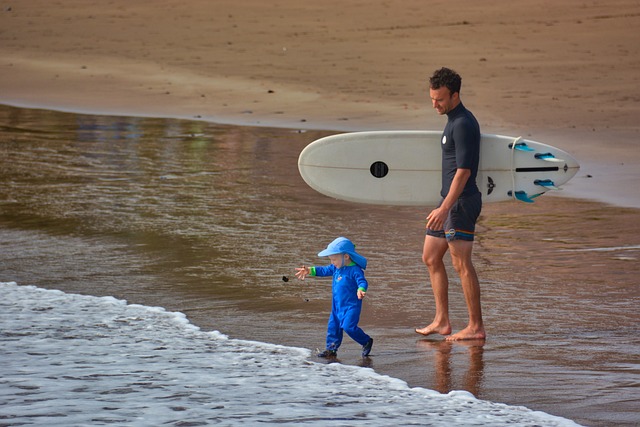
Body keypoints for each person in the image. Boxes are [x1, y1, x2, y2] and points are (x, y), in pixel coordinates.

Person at [415, 67, 486, 341]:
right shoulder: (452, 121)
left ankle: (475, 327)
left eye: (440, 99)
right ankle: (442, 320)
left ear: (455, 95)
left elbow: (464, 171)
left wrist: (445, 208)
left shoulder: (464, 124)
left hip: (460, 204)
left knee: (462, 265)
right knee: (431, 257)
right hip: (447, 204)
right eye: (432, 98)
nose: (435, 104)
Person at [295, 237, 374, 358]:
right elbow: (324, 270)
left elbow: (362, 282)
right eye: (331, 259)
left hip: (351, 306)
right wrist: (309, 270)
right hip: (337, 305)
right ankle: (331, 349)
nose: (332, 262)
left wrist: (361, 289)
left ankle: (366, 341)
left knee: (348, 327)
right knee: (333, 327)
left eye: (334, 259)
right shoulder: (336, 268)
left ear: (346, 256)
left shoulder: (355, 270)